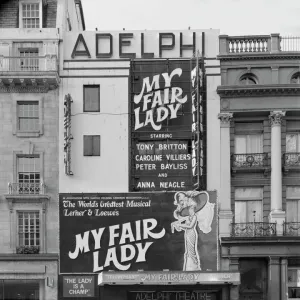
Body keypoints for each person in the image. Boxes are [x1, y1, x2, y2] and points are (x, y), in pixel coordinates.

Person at [171, 191, 215, 271]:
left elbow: (190, 226)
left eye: (191, 209)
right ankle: (188, 268)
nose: (189, 210)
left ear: (193, 210)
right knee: (188, 252)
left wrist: (180, 225)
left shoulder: (194, 217)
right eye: (189, 209)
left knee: (191, 252)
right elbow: (186, 227)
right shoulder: (189, 217)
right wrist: (179, 226)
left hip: (191, 234)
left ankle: (194, 267)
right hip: (188, 233)